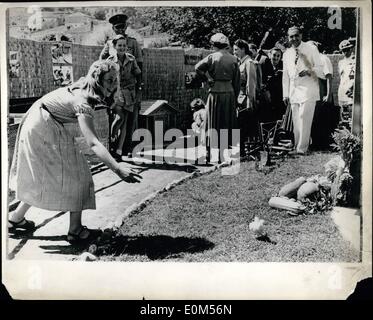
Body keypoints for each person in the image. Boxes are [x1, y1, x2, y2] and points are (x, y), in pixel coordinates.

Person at [8, 60, 141, 244]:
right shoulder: (83, 101)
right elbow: (93, 143)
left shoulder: (86, 87)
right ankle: (76, 231)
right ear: (97, 79)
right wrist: (118, 168)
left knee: (44, 174)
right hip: (42, 125)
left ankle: (15, 219)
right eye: (109, 80)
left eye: (115, 80)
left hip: (42, 120)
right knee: (79, 174)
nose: (114, 85)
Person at [100, 13, 143, 157]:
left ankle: (127, 148)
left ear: (126, 26)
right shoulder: (109, 44)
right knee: (117, 118)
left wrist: (139, 88)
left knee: (130, 120)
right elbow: (101, 63)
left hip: (130, 89)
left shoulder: (133, 43)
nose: (120, 29)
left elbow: (139, 66)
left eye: (122, 26)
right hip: (115, 89)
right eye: (117, 27)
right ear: (113, 28)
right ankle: (113, 147)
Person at [195, 33, 240, 163]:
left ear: (214, 45)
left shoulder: (212, 57)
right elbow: (236, 82)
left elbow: (197, 68)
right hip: (229, 93)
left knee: (212, 123)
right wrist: (235, 98)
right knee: (225, 122)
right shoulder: (233, 59)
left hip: (215, 92)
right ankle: (221, 155)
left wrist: (208, 79)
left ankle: (208, 154)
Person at [282, 26, 323, 155]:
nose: (294, 39)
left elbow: (321, 69)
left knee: (304, 117)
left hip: (308, 88)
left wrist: (309, 71)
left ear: (301, 35)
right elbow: (285, 75)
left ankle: (302, 148)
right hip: (294, 90)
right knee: (296, 119)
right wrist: (285, 94)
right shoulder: (287, 53)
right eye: (291, 36)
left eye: (296, 35)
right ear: (288, 38)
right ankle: (297, 145)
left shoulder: (311, 49)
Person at [108, 35, 142, 158]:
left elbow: (138, 75)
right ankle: (112, 143)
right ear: (115, 47)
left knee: (126, 122)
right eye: (119, 45)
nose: (122, 48)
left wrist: (138, 90)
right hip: (116, 95)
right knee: (119, 119)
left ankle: (119, 150)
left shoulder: (131, 60)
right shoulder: (110, 60)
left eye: (124, 45)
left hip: (129, 95)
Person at [233, 39, 260, 155]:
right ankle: (240, 150)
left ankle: (242, 151)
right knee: (239, 125)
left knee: (242, 126)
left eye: (236, 50)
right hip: (239, 98)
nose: (234, 52)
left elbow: (251, 83)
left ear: (243, 49)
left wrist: (250, 100)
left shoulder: (249, 63)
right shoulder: (240, 63)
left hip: (245, 99)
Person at [307, 41, 336, 149]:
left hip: (322, 89)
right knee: (314, 117)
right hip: (314, 90)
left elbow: (329, 77)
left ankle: (322, 143)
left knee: (322, 117)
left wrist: (328, 94)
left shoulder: (324, 58)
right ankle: (315, 142)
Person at [261, 47, 286, 122]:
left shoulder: (283, 65)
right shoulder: (264, 64)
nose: (276, 58)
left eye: (278, 56)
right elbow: (261, 80)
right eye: (274, 55)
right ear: (270, 55)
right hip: (267, 97)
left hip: (279, 98)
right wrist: (265, 90)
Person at [337, 39, 355, 130]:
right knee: (344, 113)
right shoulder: (341, 62)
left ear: (351, 49)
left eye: (347, 49)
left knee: (352, 113)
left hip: (351, 89)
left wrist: (352, 88)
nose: (345, 52)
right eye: (343, 50)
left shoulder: (355, 61)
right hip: (342, 89)